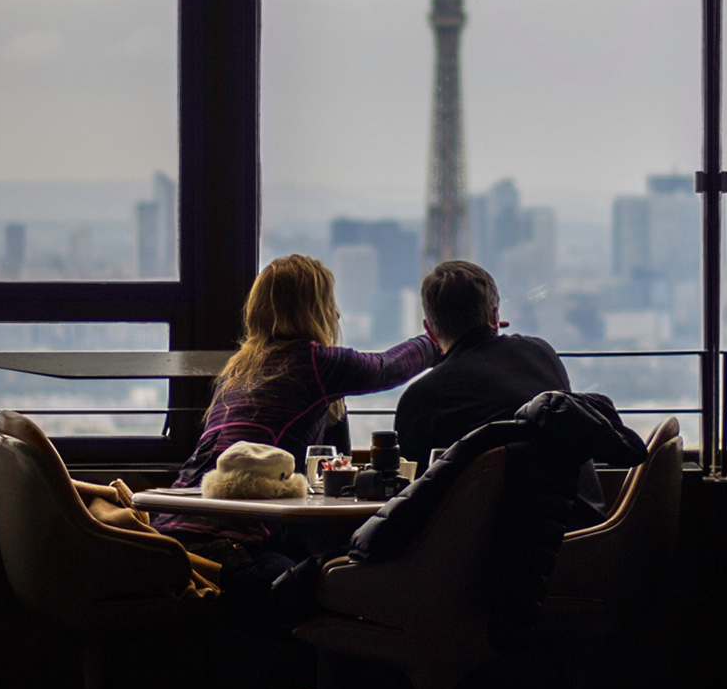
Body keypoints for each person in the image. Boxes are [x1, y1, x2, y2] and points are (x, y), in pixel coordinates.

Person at [151, 253, 437, 626]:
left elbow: (336, 452)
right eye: (330, 303)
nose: (335, 314)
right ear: (317, 308)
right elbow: (389, 368)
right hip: (230, 547)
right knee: (341, 598)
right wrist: (436, 341)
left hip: (170, 537)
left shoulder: (238, 368)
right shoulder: (312, 362)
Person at [394, 261, 604, 519]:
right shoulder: (542, 355)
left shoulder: (422, 397)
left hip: (475, 551)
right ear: (494, 316)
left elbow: (407, 494)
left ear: (429, 330)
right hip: (579, 533)